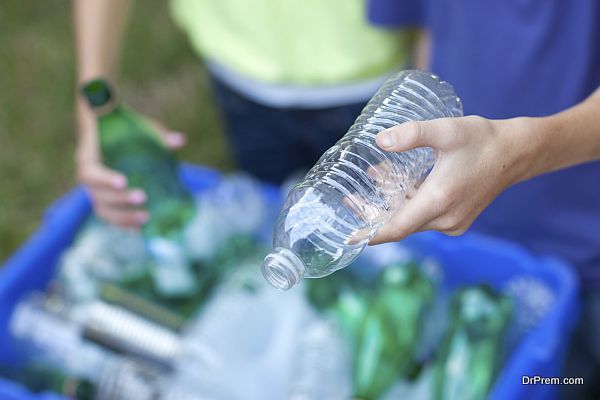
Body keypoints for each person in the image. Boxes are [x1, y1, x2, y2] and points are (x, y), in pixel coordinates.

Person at [367, 0, 600, 398]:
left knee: (564, 380)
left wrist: (519, 153)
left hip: (586, 238)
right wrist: (421, 146)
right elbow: (433, 28)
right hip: (469, 221)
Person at [73, 0, 412, 229]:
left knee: (383, 228)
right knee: (275, 220)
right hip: (238, 75)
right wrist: (96, 111)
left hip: (371, 82)